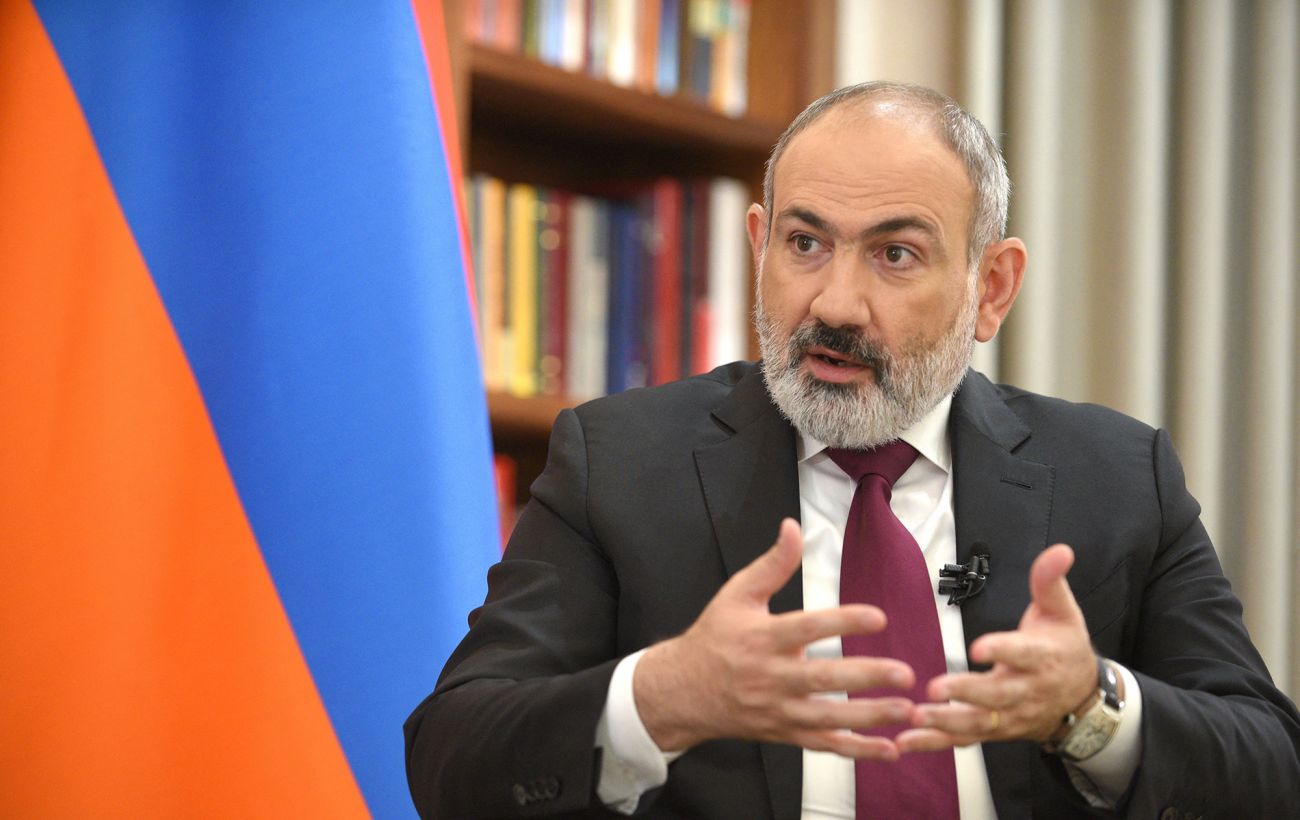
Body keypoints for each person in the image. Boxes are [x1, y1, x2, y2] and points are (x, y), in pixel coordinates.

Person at [404, 82, 1300, 819]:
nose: (834, 303)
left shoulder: (1119, 476)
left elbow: (1272, 769)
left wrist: (1089, 709)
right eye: (805, 244)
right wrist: (663, 697)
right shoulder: (620, 462)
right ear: (759, 247)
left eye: (895, 254)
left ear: (991, 289)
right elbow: (451, 759)